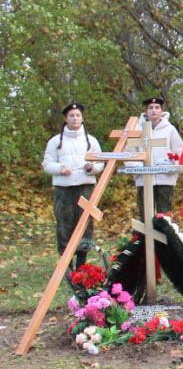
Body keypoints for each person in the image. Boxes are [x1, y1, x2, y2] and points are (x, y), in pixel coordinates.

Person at [42, 103, 105, 269]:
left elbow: (100, 163)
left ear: (82, 118)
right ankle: (66, 265)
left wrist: (93, 168)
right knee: (64, 224)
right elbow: (47, 163)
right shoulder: (56, 141)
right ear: (65, 119)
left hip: (86, 188)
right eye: (71, 116)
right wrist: (60, 168)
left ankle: (81, 264)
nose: (75, 119)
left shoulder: (91, 141)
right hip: (64, 190)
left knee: (85, 224)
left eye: (77, 115)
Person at [128, 96, 183, 219]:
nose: (154, 111)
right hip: (144, 178)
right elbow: (130, 154)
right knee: (145, 213)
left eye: (157, 108)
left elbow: (180, 152)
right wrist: (139, 168)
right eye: (151, 108)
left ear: (161, 110)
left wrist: (172, 166)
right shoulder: (137, 130)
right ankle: (145, 237)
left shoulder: (170, 130)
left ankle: (164, 238)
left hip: (165, 178)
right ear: (146, 111)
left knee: (164, 214)